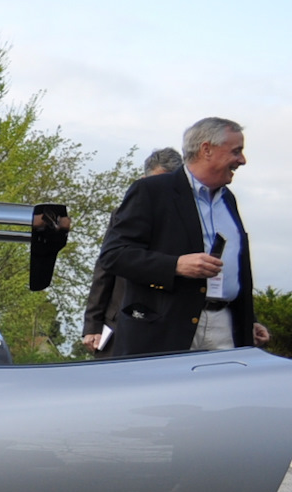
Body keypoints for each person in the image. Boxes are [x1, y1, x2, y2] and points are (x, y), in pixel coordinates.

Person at [98, 118, 268, 356]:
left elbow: (236, 268)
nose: (242, 160)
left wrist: (247, 320)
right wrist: (176, 265)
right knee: (167, 395)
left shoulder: (228, 199)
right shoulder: (151, 191)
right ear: (206, 149)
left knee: (223, 394)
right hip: (166, 330)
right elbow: (114, 256)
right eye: (236, 151)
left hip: (225, 328)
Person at [82, 147, 182, 353]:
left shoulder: (188, 222)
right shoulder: (123, 214)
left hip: (168, 325)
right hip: (120, 321)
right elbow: (104, 269)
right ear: (144, 179)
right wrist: (93, 324)